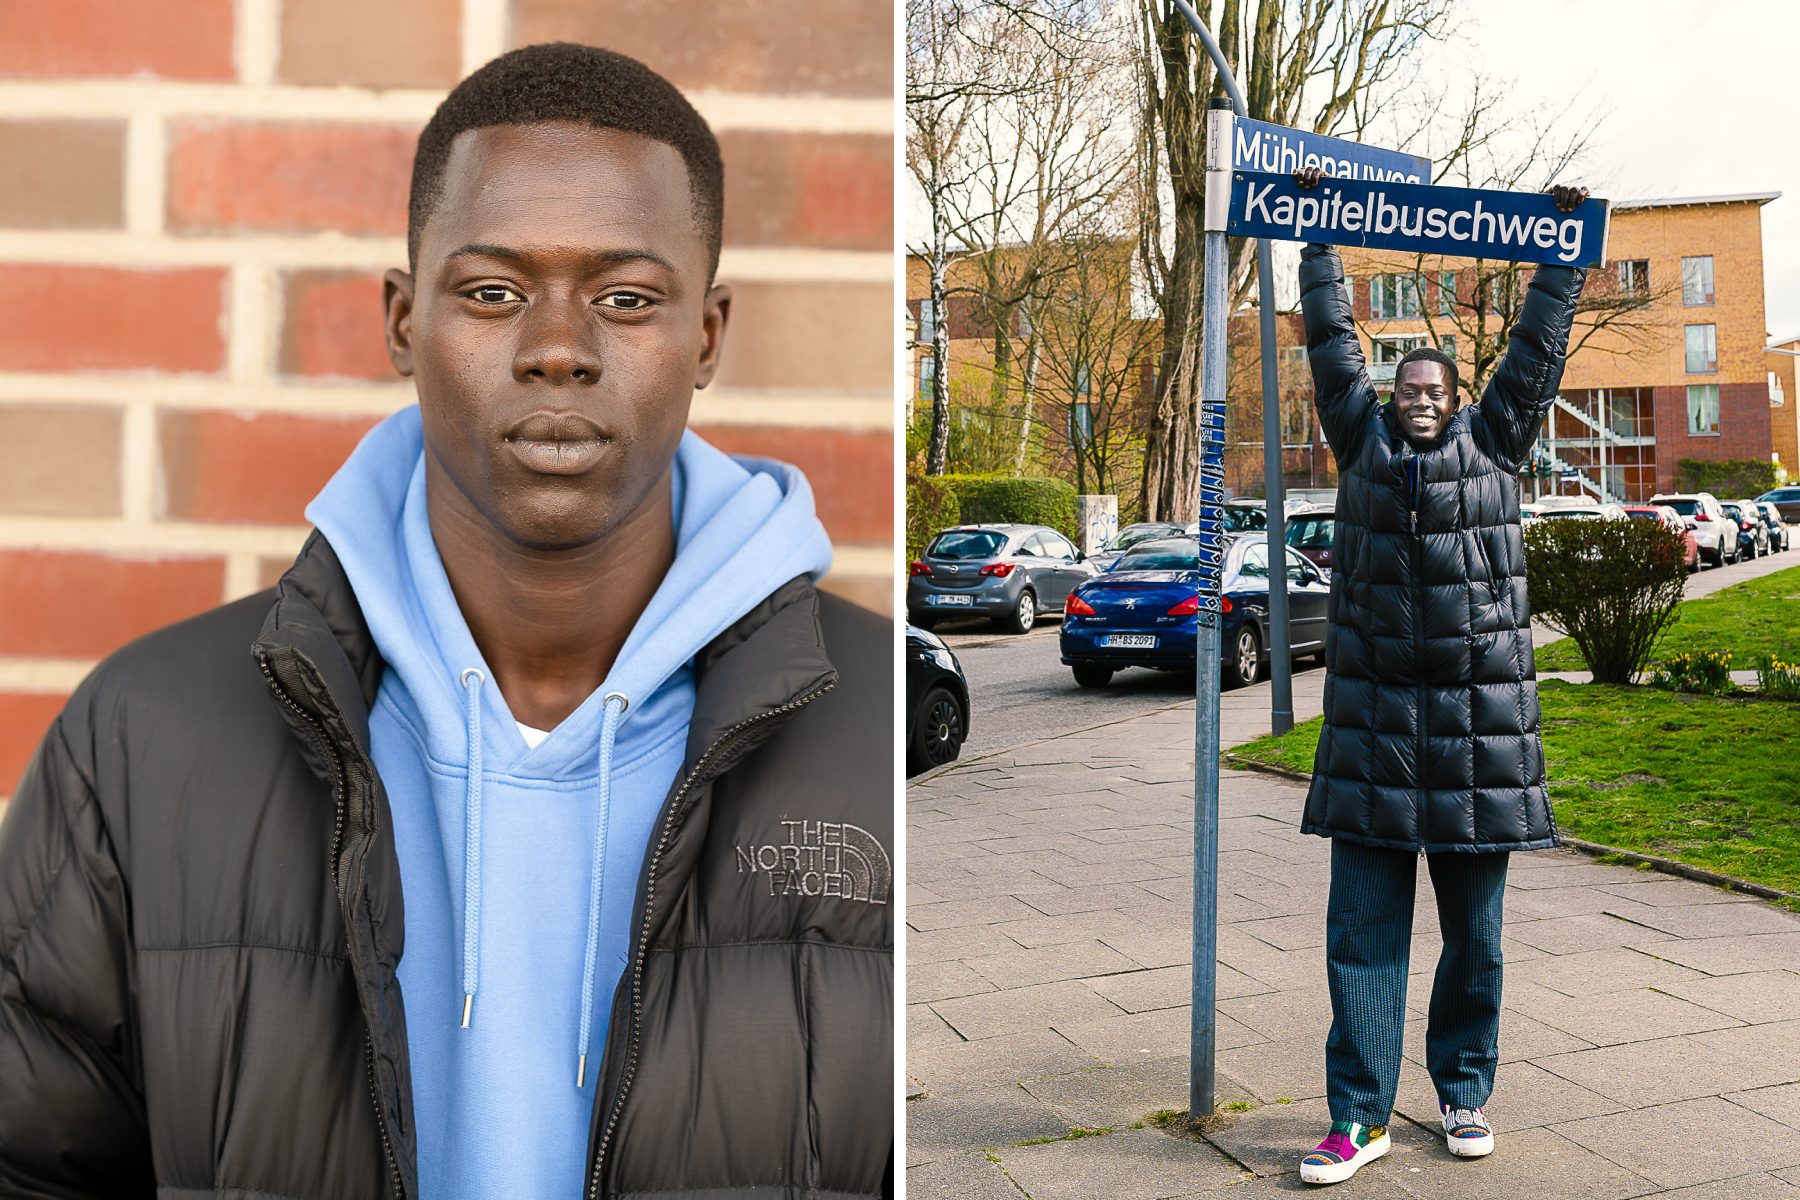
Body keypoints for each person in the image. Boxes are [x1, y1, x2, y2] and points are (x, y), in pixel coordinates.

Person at [0, 43, 892, 1200]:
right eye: (491, 292)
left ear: (707, 337)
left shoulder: (875, 735)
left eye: (625, 299)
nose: (559, 349)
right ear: (401, 320)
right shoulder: (142, 737)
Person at [1287, 166, 1588, 1186]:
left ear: (1456, 402)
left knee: (1478, 943)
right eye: (1405, 390)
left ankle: (1463, 1093)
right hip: (1373, 736)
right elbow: (1329, 344)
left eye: (1433, 392)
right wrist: (1315, 236)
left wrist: (1563, 245)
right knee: (1360, 942)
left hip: (1476, 743)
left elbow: (1537, 353)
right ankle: (1358, 1118)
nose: (1418, 403)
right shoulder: (1360, 446)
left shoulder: (1497, 449)